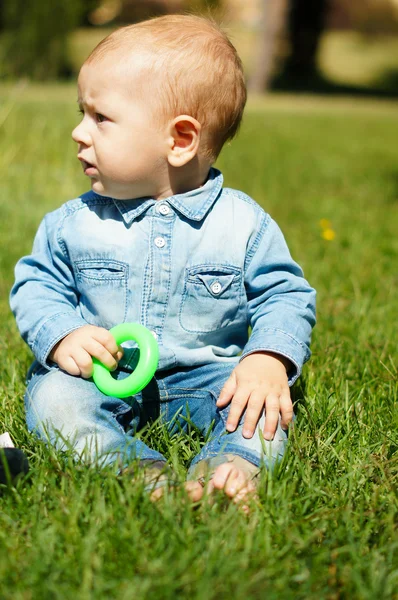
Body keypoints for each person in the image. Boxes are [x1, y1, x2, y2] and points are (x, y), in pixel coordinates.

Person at [10, 15, 316, 505]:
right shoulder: (72, 223)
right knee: (54, 398)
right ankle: (135, 471)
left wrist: (268, 358)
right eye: (81, 113)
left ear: (179, 140)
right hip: (103, 379)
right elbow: (38, 284)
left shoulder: (243, 226)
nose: (78, 132)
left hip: (210, 379)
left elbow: (285, 295)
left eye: (100, 118)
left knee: (261, 408)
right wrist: (62, 333)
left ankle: (230, 468)